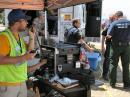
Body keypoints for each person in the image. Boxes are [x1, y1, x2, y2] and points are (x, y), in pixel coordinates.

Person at [0, 9, 46, 97]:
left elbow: (29, 50)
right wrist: (25, 57)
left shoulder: (18, 37)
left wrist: (32, 37)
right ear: (17, 22)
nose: (27, 23)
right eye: (25, 21)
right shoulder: (3, 37)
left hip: (21, 81)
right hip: (8, 84)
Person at [107, 11, 130, 89]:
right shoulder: (128, 22)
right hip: (126, 46)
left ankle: (112, 83)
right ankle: (127, 84)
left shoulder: (114, 23)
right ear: (122, 15)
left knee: (113, 64)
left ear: (117, 16)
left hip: (115, 47)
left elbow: (109, 36)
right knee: (126, 65)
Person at [101, 14, 116, 81]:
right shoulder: (110, 26)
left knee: (111, 60)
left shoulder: (115, 25)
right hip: (110, 45)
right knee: (107, 60)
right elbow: (103, 35)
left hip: (114, 45)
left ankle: (109, 75)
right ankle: (105, 75)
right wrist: (102, 47)